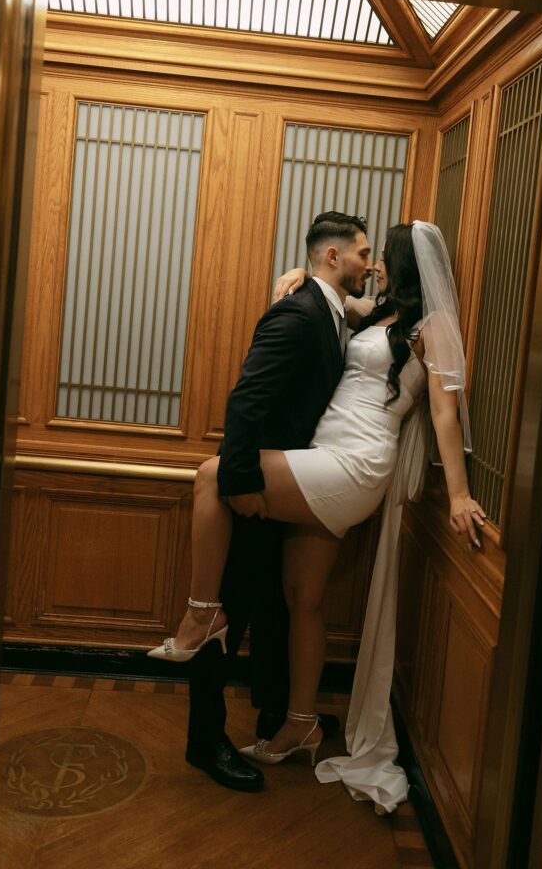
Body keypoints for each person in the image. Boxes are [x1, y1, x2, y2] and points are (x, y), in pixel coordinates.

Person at [155, 220, 485, 808]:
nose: (373, 262)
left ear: (401, 262)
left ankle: (202, 614)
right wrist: (303, 273)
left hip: (356, 461)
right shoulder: (375, 313)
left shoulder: (432, 329)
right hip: (323, 454)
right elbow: (334, 294)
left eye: (380, 254)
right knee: (302, 598)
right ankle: (301, 723)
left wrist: (459, 496)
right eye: (366, 255)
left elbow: (442, 416)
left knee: (211, 476)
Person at [149, 211, 374, 793]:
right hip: (254, 493)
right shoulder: (297, 313)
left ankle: (277, 717)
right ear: (333, 257)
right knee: (228, 618)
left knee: (273, 612)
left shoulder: (328, 310)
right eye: (362, 254)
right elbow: (246, 402)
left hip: (294, 487)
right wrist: (242, 485)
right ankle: (205, 743)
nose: (369, 265)